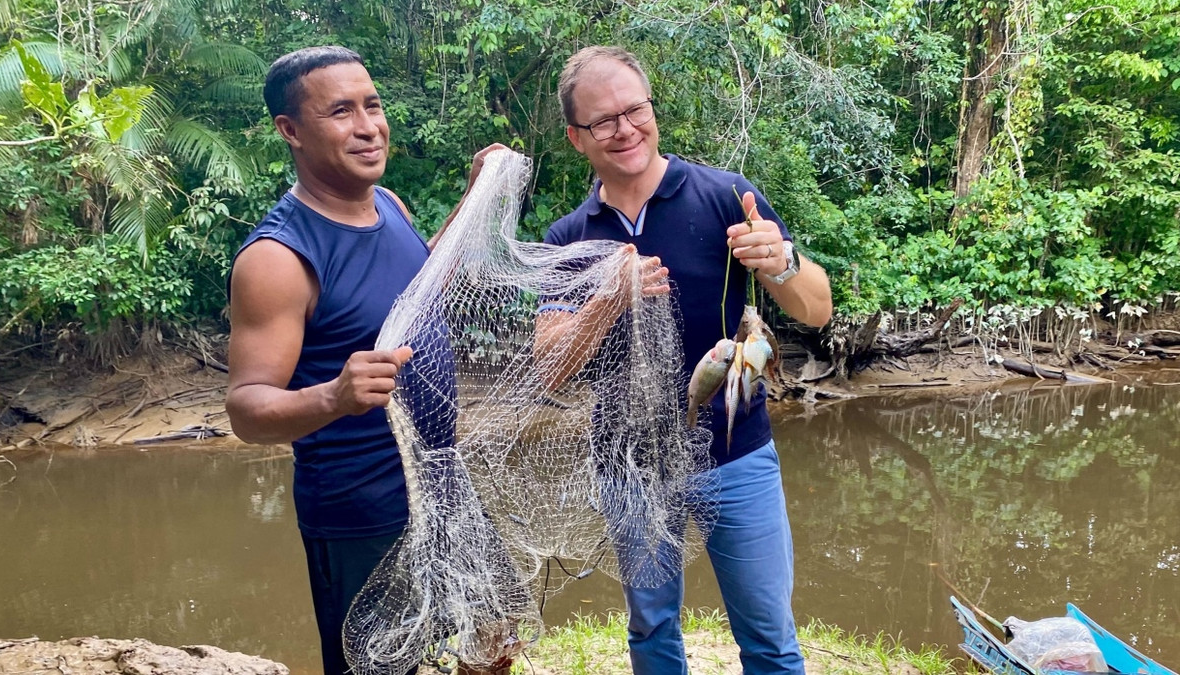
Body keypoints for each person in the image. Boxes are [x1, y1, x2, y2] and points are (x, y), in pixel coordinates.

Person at [537, 46, 833, 675]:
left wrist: (780, 262)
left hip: (737, 454)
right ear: (576, 138)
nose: (625, 129)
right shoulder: (569, 238)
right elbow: (549, 366)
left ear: (652, 109)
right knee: (651, 630)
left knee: (770, 638)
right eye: (602, 121)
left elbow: (816, 309)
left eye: (635, 110)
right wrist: (605, 302)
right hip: (629, 466)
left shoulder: (726, 196)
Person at [225, 45, 502, 675]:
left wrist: (473, 200)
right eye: (340, 112)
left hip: (443, 488)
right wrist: (334, 395)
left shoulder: (391, 207)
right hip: (361, 516)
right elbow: (245, 410)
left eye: (372, 106)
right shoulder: (277, 259)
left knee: (492, 641)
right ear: (290, 130)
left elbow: (421, 286)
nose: (368, 126)